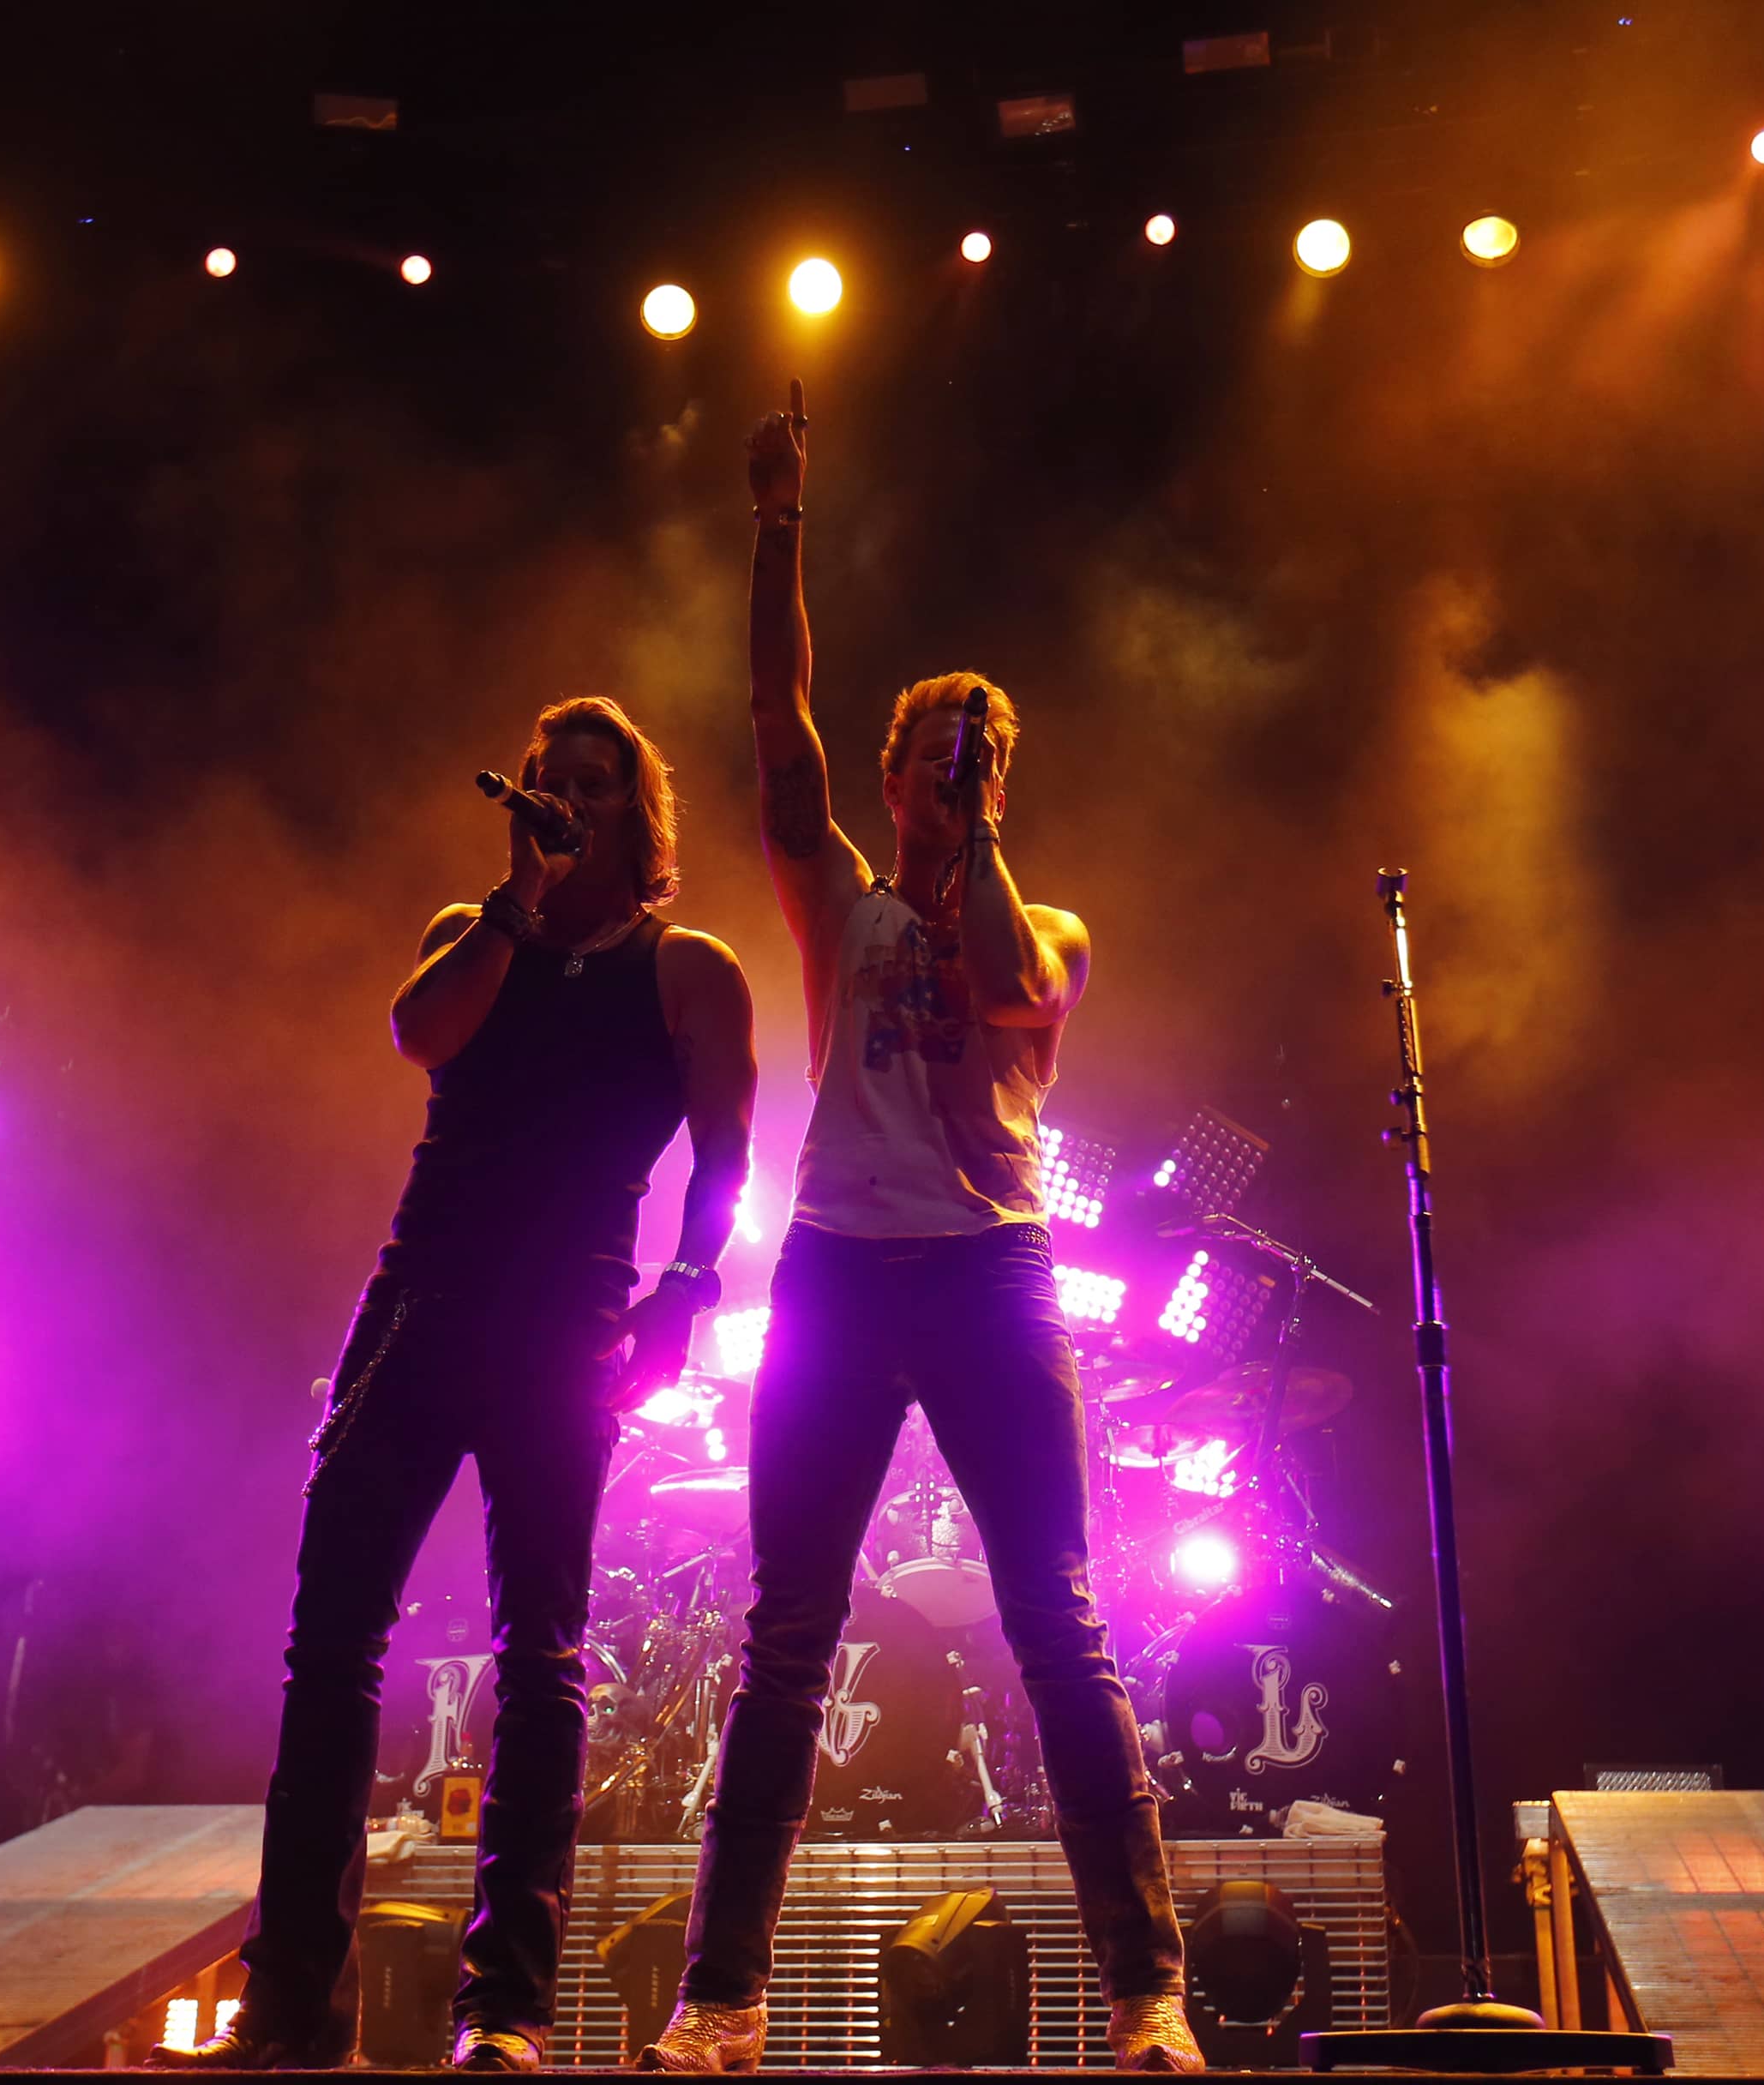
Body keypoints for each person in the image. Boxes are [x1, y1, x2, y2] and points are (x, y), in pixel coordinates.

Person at [639, 388, 1200, 2073]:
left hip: (987, 1269)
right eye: (937, 756)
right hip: (833, 1264)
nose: (960, 778)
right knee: (786, 1636)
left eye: (988, 758)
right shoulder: (837, 891)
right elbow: (771, 712)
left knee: (1060, 1621)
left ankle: (1147, 1991)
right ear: (889, 774)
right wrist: (778, 521)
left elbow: (1008, 1011)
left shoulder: (1049, 921)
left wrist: (984, 832)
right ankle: (724, 2000)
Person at [156, 697, 755, 2074]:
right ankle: (294, 2001)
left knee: (540, 1662)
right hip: (418, 1308)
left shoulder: (685, 967)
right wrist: (513, 899)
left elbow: (725, 1144)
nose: (572, 803)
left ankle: (510, 2013)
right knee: (331, 1649)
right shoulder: (470, 932)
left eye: (597, 786)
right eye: (553, 784)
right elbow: (417, 1036)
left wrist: (689, 1286)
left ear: (639, 811)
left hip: (569, 1326)